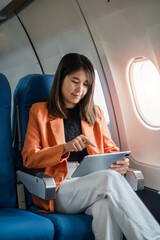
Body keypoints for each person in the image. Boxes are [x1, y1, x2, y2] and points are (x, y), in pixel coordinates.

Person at [22, 53, 160, 240]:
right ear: (61, 78)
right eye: (75, 81)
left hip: (93, 180)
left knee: (106, 208)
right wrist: (64, 148)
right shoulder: (39, 111)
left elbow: (111, 151)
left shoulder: (95, 114)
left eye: (86, 84)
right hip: (59, 186)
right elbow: (29, 157)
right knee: (109, 179)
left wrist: (121, 163)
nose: (80, 89)